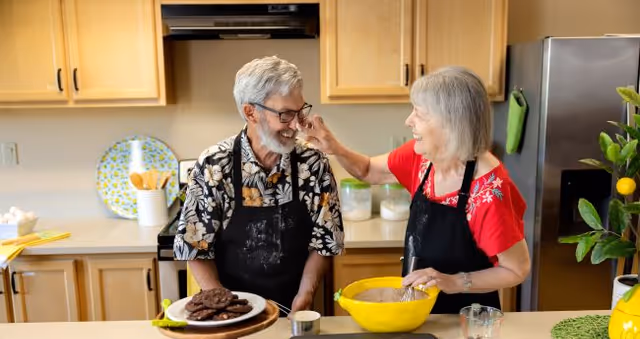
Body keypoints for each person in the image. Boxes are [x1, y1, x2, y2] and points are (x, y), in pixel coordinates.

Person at [300, 66, 530, 314]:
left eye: (419, 114)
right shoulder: (422, 157)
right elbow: (368, 171)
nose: (408, 121)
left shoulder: (488, 191)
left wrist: (454, 281)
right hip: (418, 311)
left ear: (450, 122)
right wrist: (333, 146)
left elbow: (516, 270)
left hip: (467, 320)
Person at [173, 56, 344, 315]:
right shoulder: (215, 165)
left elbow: (325, 242)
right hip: (229, 310)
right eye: (286, 114)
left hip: (294, 307)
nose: (297, 125)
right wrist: (222, 306)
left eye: (300, 112)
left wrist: (306, 294)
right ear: (251, 112)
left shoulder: (313, 165)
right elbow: (194, 247)